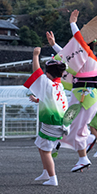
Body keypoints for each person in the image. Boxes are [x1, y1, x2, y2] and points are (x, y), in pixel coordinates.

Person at [47, 9, 97, 173]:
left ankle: (84, 154)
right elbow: (67, 55)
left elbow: (78, 44)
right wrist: (53, 45)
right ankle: (86, 146)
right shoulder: (86, 58)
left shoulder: (88, 56)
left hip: (86, 97)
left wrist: (73, 23)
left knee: (76, 128)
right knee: (71, 125)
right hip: (83, 97)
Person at [24, 47, 68, 186]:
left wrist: (35, 55)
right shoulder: (59, 86)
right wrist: (38, 100)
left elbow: (37, 72)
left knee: (46, 151)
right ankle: (46, 172)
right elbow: (52, 100)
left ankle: (53, 178)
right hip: (57, 123)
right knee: (40, 146)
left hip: (52, 124)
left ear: (48, 73)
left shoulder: (48, 84)